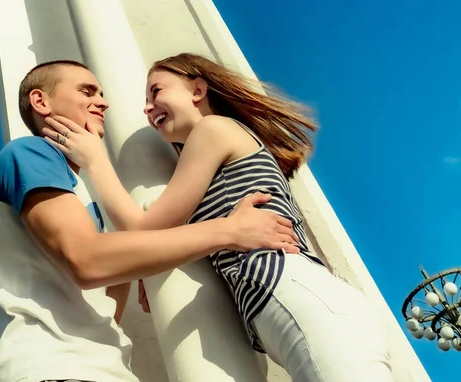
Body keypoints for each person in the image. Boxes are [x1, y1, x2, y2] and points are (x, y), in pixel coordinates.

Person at [42, 54, 394, 382]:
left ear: (197, 90)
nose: (147, 108)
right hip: (304, 304)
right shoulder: (214, 150)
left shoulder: (213, 130)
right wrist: (148, 268)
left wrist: (96, 162)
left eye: (156, 91)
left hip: (299, 294)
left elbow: (142, 228)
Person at [0, 59, 301, 382]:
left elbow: (107, 308)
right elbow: (87, 260)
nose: (102, 101)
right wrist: (227, 230)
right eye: (87, 91)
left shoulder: (86, 201)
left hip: (105, 369)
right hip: (53, 367)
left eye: (102, 93)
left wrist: (142, 264)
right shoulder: (30, 153)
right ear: (40, 101)